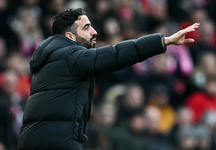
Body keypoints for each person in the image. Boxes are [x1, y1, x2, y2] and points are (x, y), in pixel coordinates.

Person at [18, 8, 200, 150]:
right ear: (70, 36)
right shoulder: (70, 55)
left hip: (34, 140)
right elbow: (115, 55)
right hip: (57, 141)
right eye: (87, 28)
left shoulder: (49, 59)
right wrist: (163, 41)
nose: (94, 32)